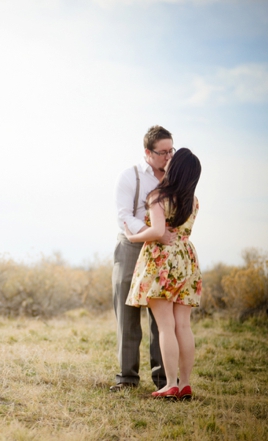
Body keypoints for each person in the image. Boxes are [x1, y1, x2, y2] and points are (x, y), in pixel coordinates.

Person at [124, 147, 202, 400]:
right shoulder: (193, 200)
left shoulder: (158, 196)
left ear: (176, 168)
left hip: (162, 260)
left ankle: (170, 384)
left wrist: (133, 236)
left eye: (172, 158)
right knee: (183, 326)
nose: (167, 160)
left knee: (166, 326)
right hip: (186, 258)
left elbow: (158, 231)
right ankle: (185, 383)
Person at [110, 125, 176, 392]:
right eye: (163, 152)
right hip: (131, 247)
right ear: (147, 152)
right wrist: (153, 234)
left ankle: (164, 380)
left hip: (164, 252)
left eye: (172, 150)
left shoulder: (176, 177)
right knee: (127, 315)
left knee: (162, 318)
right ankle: (127, 378)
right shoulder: (130, 176)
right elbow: (124, 216)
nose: (169, 156)